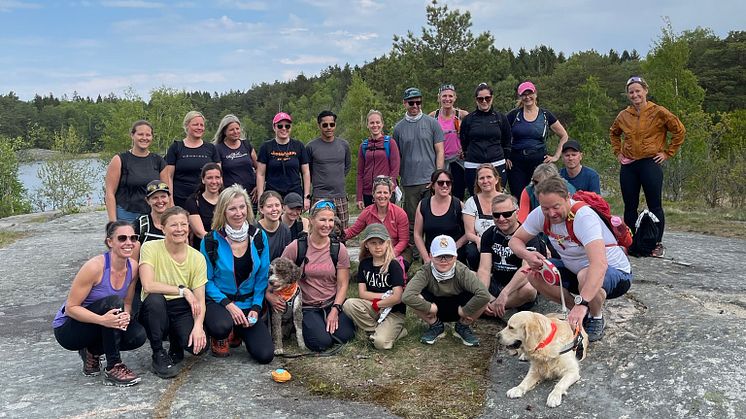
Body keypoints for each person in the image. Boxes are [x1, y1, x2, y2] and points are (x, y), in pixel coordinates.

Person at [509, 177, 633, 342]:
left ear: (568, 197)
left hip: (616, 275)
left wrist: (582, 303)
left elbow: (599, 265)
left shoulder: (583, 217)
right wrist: (528, 255)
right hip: (576, 270)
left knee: (585, 275)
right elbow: (514, 241)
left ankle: (596, 316)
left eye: (556, 207)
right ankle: (576, 312)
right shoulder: (541, 214)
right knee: (533, 273)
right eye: (545, 208)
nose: (551, 213)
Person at [53, 221, 146, 386]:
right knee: (112, 302)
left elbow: (127, 302)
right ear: (110, 242)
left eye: (133, 238)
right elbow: (71, 308)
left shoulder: (133, 267)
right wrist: (103, 320)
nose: (129, 243)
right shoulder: (95, 267)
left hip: (101, 321)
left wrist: (125, 316)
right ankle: (113, 366)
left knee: (137, 336)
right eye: (122, 238)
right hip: (69, 328)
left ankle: (91, 352)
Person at [611, 76, 686, 258]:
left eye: (638, 91)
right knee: (630, 206)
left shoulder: (658, 111)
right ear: (628, 95)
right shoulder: (624, 115)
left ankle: (656, 243)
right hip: (629, 164)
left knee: (655, 205)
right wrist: (618, 152)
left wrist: (668, 153)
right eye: (631, 92)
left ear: (645, 91)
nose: (635, 95)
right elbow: (614, 133)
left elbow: (679, 130)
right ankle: (632, 242)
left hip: (650, 163)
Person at [200, 185, 274, 363]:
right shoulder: (210, 240)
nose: (238, 213)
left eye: (242, 207)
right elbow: (206, 281)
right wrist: (229, 305)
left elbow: (262, 276)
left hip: (249, 302)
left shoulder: (258, 237)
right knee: (220, 326)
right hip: (221, 302)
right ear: (223, 211)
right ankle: (224, 333)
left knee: (265, 355)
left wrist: (256, 307)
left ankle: (239, 330)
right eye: (232, 208)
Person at [139, 206, 208, 379]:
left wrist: (198, 327)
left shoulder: (197, 257)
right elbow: (148, 285)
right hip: (156, 306)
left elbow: (200, 300)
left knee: (198, 348)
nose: (180, 229)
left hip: (180, 307)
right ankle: (158, 353)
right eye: (174, 225)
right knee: (155, 300)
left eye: (183, 225)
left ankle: (176, 342)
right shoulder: (149, 248)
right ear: (162, 228)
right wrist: (182, 290)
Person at [281, 200, 355, 352]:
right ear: (312, 220)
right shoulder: (297, 246)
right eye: (322, 219)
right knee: (321, 343)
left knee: (346, 336)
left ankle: (324, 323)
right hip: (307, 306)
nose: (327, 225)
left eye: (330, 220)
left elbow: (343, 284)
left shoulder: (338, 249)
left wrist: (335, 309)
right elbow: (279, 273)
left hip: (330, 303)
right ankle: (299, 325)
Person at [402, 235, 490, 346]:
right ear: (431, 256)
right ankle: (436, 326)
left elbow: (484, 294)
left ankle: (462, 326)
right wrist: (429, 307)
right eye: (439, 256)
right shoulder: (425, 271)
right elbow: (407, 296)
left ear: (455, 257)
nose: (444, 261)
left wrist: (465, 311)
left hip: (459, 309)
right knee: (416, 296)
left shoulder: (462, 270)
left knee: (483, 298)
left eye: (448, 256)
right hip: (434, 309)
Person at [477, 194, 544, 318]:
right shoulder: (489, 234)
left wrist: (505, 293)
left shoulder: (528, 235)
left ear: (517, 212)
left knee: (529, 289)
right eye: (496, 215)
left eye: (507, 214)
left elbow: (526, 270)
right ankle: (497, 308)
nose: (501, 219)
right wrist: (483, 295)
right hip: (496, 282)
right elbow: (484, 269)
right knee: (468, 276)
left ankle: (492, 309)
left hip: (517, 287)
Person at [343, 224, 407, 350]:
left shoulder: (394, 265)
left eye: (381, 242)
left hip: (394, 311)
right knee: (349, 304)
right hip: (373, 307)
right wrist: (384, 297)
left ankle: (398, 332)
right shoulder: (364, 264)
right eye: (373, 243)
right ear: (366, 245)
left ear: (387, 243)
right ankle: (375, 329)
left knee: (380, 344)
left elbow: (397, 297)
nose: (378, 246)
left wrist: (380, 303)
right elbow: (362, 293)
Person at [393, 87, 445, 240]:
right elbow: (396, 157)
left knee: (432, 218)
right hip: (409, 181)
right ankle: (413, 252)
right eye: (411, 103)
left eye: (418, 102)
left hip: (430, 180)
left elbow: (440, 151)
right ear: (404, 103)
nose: (415, 106)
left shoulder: (432, 124)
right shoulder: (398, 128)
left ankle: (431, 248)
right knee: (411, 220)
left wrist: (438, 176)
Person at [506, 81, 570, 197]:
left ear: (535, 94)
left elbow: (564, 135)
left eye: (530, 93)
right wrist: (505, 155)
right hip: (516, 163)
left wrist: (556, 156)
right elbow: (500, 135)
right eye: (524, 94)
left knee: (541, 194)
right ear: (520, 97)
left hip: (539, 161)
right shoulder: (513, 115)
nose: (527, 97)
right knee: (519, 196)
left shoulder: (545, 115)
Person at [104, 120, 167, 223]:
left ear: (152, 137)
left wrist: (166, 218)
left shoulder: (158, 161)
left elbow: (166, 193)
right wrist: (112, 223)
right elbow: (109, 193)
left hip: (152, 215)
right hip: (126, 215)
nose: (144, 138)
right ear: (132, 135)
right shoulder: (120, 160)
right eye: (140, 134)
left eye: (148, 135)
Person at [460, 83, 511, 196]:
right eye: (480, 99)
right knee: (475, 197)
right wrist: (467, 153)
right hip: (473, 163)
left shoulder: (501, 118)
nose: (484, 101)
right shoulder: (468, 120)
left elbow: (507, 139)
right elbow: (464, 140)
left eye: (487, 98)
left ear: (492, 98)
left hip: (497, 162)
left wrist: (507, 156)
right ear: (476, 100)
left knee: (498, 197)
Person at [345, 176, 409, 260]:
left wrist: (391, 254)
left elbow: (404, 240)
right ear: (373, 194)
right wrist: (333, 236)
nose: (382, 196)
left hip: (396, 252)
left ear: (390, 194)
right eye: (379, 192)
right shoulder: (367, 212)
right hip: (374, 252)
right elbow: (352, 231)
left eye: (385, 192)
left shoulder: (400, 213)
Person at [256, 112, 311, 210]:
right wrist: (261, 197)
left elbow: (306, 172)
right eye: (280, 126)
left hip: (294, 192)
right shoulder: (266, 147)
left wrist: (306, 196)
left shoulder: (299, 146)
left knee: (293, 220)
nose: (284, 129)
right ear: (274, 127)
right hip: (273, 193)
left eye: (287, 126)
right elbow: (260, 174)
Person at [165, 111, 220, 208]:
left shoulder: (211, 148)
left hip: (205, 201)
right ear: (187, 126)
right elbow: (168, 176)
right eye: (195, 124)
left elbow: (218, 177)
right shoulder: (176, 147)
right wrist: (170, 202)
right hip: (180, 201)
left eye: (202, 125)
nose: (199, 128)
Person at [307, 110, 352, 228]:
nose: (329, 128)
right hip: (319, 195)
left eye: (332, 124)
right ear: (319, 126)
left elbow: (347, 167)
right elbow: (307, 172)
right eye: (325, 125)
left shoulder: (344, 145)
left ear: (335, 125)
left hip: (340, 195)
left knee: (343, 232)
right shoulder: (311, 147)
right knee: (318, 231)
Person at [414, 170, 468, 265]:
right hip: (431, 256)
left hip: (455, 255)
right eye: (440, 183)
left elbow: (469, 232)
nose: (445, 185)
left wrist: (453, 247)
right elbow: (417, 234)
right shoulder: (423, 205)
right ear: (433, 185)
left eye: (448, 183)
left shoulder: (458, 205)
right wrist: (426, 258)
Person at [429, 84, 469, 200]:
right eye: (444, 96)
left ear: (455, 98)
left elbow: (473, 134)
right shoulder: (433, 117)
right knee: (441, 193)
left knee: (458, 194)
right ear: (439, 98)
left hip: (458, 161)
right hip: (439, 161)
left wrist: (466, 148)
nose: (447, 99)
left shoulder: (462, 115)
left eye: (450, 96)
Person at [356, 110, 401, 209]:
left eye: (377, 122)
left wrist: (389, 189)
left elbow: (395, 169)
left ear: (382, 124)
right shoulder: (363, 146)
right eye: (372, 123)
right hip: (368, 193)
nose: (375, 125)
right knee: (371, 223)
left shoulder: (390, 143)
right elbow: (360, 173)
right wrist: (359, 197)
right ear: (367, 125)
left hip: (385, 193)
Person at [462, 163, 502, 270]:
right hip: (478, 242)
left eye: (489, 177)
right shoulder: (471, 202)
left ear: (496, 179)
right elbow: (469, 233)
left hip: (502, 241)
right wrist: (479, 241)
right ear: (477, 182)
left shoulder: (506, 200)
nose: (485, 181)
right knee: (472, 252)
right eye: (481, 178)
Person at [213, 114, 258, 203]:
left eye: (237, 129)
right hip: (231, 196)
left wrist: (258, 186)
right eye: (231, 130)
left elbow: (258, 167)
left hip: (250, 194)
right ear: (224, 131)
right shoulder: (218, 149)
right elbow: (218, 174)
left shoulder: (246, 145)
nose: (235, 132)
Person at [184, 162, 223, 251]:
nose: (214, 182)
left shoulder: (228, 199)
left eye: (217, 177)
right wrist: (222, 244)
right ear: (203, 180)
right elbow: (199, 233)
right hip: (204, 249)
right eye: (209, 178)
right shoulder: (193, 201)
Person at [257, 190, 292, 261]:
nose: (274, 209)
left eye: (277, 205)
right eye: (269, 206)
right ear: (261, 209)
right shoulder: (254, 230)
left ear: (282, 207)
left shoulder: (285, 229)